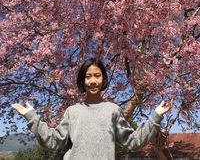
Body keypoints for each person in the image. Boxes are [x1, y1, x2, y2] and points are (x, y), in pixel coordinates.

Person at [12, 58, 172, 160]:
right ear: (82, 81)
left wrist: (156, 116)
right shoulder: (72, 111)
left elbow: (132, 141)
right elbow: (54, 141)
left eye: (97, 76)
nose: (93, 81)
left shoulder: (113, 110)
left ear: (103, 80)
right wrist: (32, 117)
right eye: (88, 77)